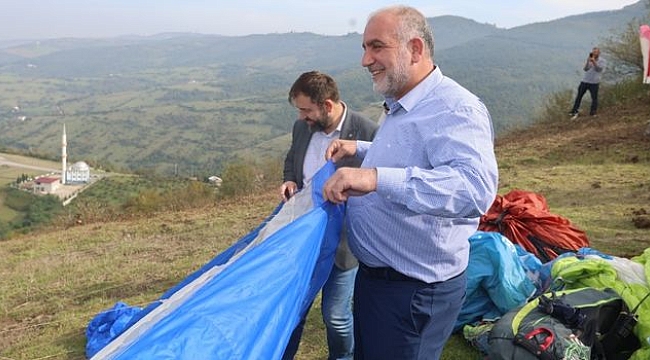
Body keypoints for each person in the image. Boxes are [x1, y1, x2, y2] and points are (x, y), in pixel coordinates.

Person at [322, 6, 499, 360]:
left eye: (376, 47)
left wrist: (373, 177)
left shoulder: (455, 108)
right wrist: (360, 150)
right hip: (380, 282)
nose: (365, 60)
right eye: (364, 48)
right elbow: (411, 157)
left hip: (412, 293)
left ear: (415, 49)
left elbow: (473, 188)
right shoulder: (403, 102)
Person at [280, 70, 378, 360]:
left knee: (335, 315)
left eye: (306, 110)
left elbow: (381, 183)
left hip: (344, 244)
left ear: (328, 105)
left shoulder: (367, 132)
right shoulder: (302, 129)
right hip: (304, 239)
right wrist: (289, 180)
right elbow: (291, 159)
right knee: (294, 309)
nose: (301, 117)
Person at [569, 47, 606, 119]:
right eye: (593, 52)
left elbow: (599, 69)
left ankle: (593, 112)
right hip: (585, 81)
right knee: (579, 96)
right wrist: (587, 61)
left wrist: (594, 62)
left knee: (594, 98)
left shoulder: (602, 61)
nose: (594, 53)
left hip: (594, 82)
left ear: (599, 53)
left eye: (596, 52)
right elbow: (585, 69)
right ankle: (574, 110)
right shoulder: (590, 59)